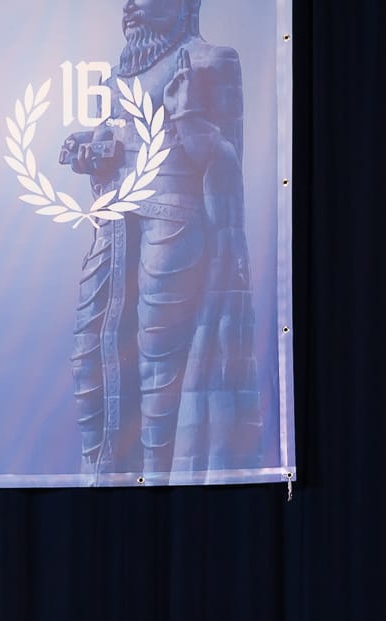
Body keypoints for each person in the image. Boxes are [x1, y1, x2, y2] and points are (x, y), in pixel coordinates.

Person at [60, 0, 260, 479]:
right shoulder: (115, 79)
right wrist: (90, 153)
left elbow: (227, 162)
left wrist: (189, 120)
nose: (130, 6)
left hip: (175, 223)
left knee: (161, 368)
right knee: (92, 359)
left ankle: (162, 487)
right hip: (115, 228)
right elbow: (114, 150)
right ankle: (103, 482)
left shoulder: (211, 59)